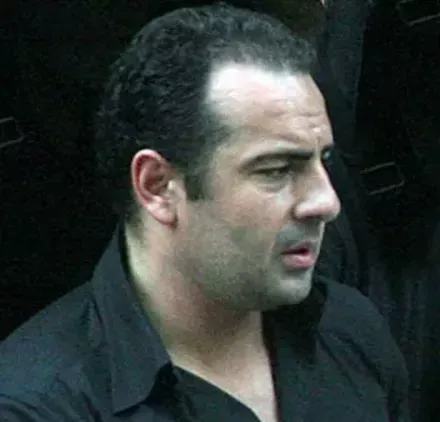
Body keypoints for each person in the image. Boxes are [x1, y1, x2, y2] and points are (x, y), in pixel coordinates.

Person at [0, 4, 410, 421]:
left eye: (324, 160)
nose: (327, 202)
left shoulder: (349, 330)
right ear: (157, 186)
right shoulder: (36, 405)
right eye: (277, 170)